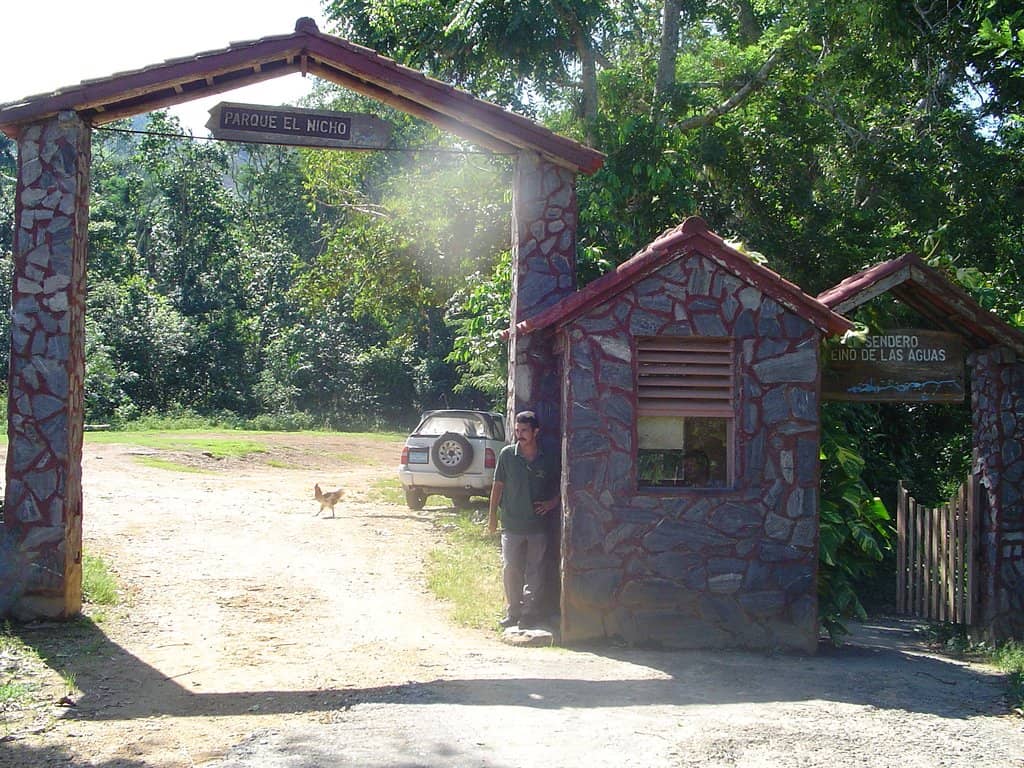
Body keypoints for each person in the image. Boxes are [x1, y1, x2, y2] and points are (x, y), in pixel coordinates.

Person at [488, 410, 559, 629]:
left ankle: (529, 613)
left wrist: (552, 503)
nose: (520, 434)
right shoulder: (507, 455)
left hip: (537, 525)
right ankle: (513, 612)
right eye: (517, 430)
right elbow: (497, 486)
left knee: (535, 570)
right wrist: (492, 516)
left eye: (524, 430)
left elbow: (562, 484)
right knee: (511, 568)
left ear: (535, 432)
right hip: (511, 523)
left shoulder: (547, 458)